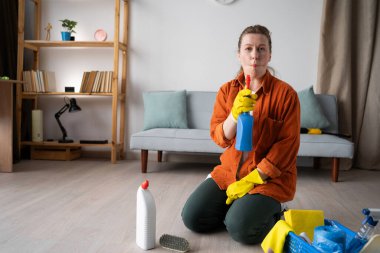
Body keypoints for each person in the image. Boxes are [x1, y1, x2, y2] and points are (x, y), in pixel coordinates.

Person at [181, 25, 300, 245]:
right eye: (249, 48)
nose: (255, 55)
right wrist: (234, 116)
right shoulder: (227, 91)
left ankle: (272, 212)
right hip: (229, 173)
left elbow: (288, 146)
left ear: (270, 54)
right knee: (193, 218)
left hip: (268, 180)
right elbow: (219, 137)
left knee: (241, 231)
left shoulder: (286, 95)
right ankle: (239, 212)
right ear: (239, 54)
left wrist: (254, 179)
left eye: (261, 49)